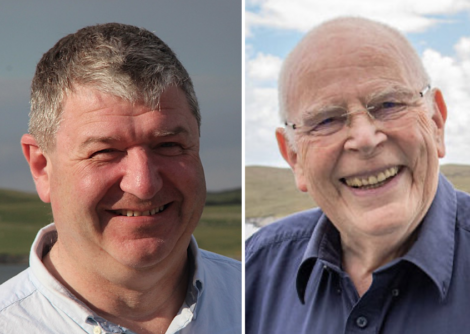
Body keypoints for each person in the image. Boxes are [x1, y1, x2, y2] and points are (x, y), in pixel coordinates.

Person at [0, 23, 241, 334]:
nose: (143, 184)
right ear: (42, 166)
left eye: (168, 145)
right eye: (105, 151)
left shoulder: (259, 300)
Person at [245, 17, 470, 333]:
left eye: (389, 104)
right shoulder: (254, 271)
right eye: (326, 121)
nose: (365, 139)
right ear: (294, 158)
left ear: (436, 122)